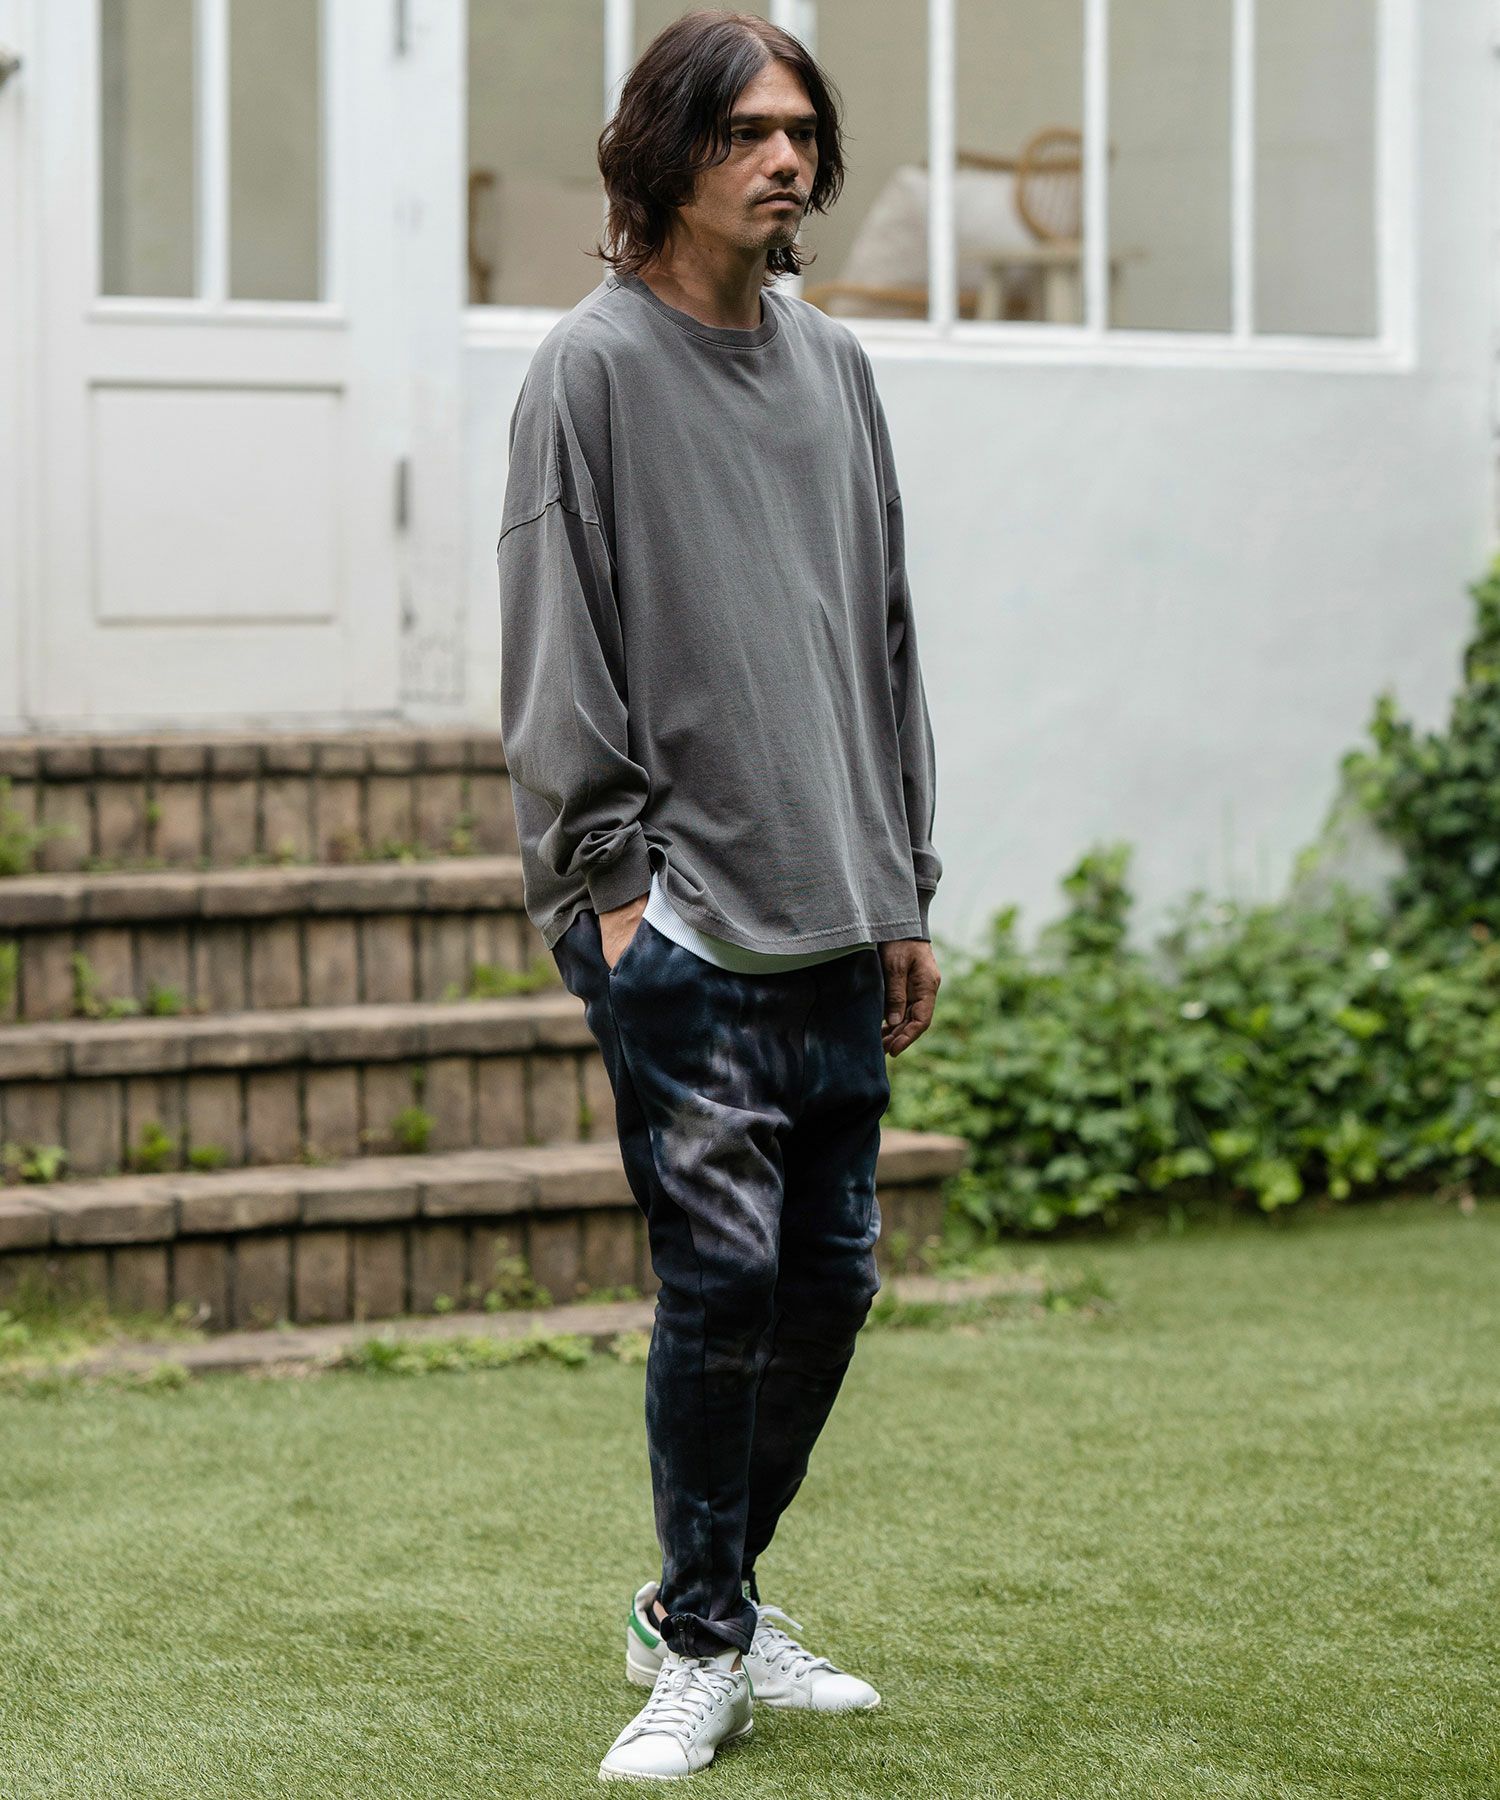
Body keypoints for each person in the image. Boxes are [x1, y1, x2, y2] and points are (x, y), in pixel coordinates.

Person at [496, 9, 943, 1782]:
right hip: (680, 920)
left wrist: (905, 881)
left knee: (830, 1283)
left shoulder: (838, 368)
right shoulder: (589, 371)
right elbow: (557, 646)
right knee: (724, 1278)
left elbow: (883, 637)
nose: (785, 160)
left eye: (801, 134)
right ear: (666, 152)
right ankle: (699, 1647)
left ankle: (712, 1602)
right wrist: (615, 895)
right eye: (748, 131)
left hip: (836, 901)